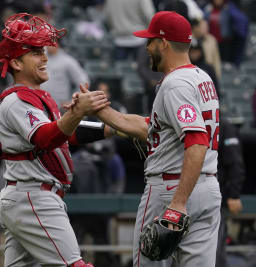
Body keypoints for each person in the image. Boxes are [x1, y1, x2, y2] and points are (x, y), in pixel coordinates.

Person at [84, 11, 221, 266]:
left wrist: (178, 202)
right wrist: (101, 111)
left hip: (172, 189)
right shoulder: (202, 78)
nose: (146, 47)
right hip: (207, 189)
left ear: (164, 43)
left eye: (150, 41)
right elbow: (155, 127)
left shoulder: (175, 84)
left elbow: (197, 140)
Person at [0, 13, 114, 267]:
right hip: (33, 196)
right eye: (36, 52)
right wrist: (76, 112)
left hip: (29, 195)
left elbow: (67, 133)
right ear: (16, 63)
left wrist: (114, 128)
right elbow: (45, 138)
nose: (45, 58)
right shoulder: (16, 100)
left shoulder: (37, 97)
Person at [215, 118, 245, 267]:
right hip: (188, 196)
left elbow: (235, 162)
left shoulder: (223, 125)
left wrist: (234, 194)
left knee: (215, 250)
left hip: (216, 199)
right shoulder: (189, 121)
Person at [41, 44, 89, 109]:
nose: (48, 45)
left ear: (57, 44)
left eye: (51, 42)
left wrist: (72, 100)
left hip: (59, 106)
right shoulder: (41, 58)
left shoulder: (67, 60)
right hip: (41, 103)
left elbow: (83, 81)